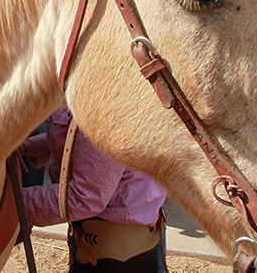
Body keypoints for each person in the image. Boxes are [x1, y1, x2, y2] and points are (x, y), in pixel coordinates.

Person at [18, 108, 167, 272]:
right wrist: (28, 147)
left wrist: (12, 204)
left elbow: (84, 197)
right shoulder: (86, 102)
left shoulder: (103, 111)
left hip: (119, 253)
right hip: (99, 241)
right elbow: (76, 139)